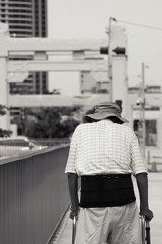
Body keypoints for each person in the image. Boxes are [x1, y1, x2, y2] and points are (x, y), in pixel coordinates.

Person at [65, 101, 153, 244]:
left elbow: (71, 174)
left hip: (91, 204)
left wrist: (75, 208)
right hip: (124, 204)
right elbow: (141, 174)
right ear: (118, 119)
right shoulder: (127, 132)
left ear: (95, 117)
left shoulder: (80, 130)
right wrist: (144, 208)